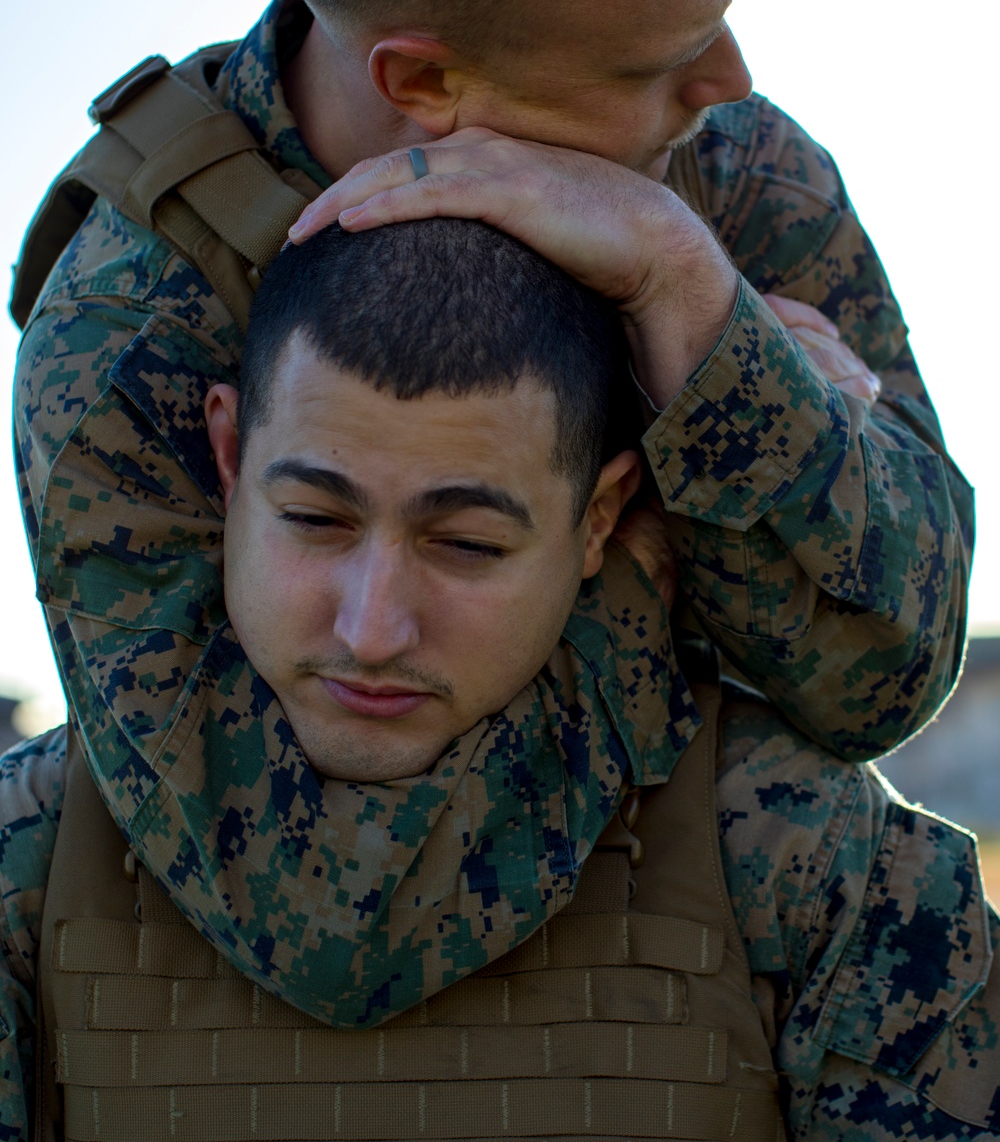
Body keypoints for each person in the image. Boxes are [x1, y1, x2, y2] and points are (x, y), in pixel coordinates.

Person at [11, 0, 972, 1028]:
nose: (732, 85)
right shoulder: (132, 325)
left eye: (719, 21)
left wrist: (692, 294)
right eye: (661, 57)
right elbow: (323, 915)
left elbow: (884, 673)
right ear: (426, 84)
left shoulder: (726, 172)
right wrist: (642, 578)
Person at [2, 219, 995, 1141]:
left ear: (601, 517)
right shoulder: (24, 858)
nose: (373, 628)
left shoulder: (808, 853)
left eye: (466, 543)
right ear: (227, 455)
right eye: (315, 518)